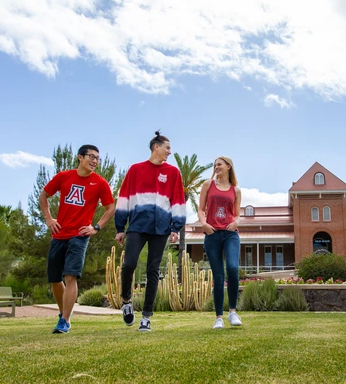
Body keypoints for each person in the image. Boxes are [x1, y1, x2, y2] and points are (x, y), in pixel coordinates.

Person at [39, 144, 115, 334]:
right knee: (55, 279)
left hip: (79, 236)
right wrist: (49, 219)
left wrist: (96, 227)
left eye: (97, 158)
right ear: (80, 157)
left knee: (70, 275)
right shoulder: (63, 177)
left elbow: (110, 208)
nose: (95, 161)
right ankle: (63, 313)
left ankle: (65, 320)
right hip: (58, 234)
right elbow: (44, 195)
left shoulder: (100, 183)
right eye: (91, 156)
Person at [115, 130, 186, 332]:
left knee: (153, 270)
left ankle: (146, 317)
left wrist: (175, 227)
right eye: (167, 148)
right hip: (137, 225)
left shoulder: (173, 173)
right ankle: (126, 300)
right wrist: (120, 227)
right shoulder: (135, 169)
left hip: (161, 228)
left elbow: (178, 201)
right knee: (129, 264)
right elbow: (124, 198)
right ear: (156, 147)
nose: (169, 152)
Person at [198, 156, 242, 329]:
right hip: (212, 233)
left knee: (232, 268)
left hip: (231, 233)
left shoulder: (236, 190)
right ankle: (219, 317)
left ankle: (232, 312)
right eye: (215, 165)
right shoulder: (207, 185)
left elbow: (237, 214)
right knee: (218, 276)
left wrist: (236, 222)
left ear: (228, 166)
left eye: (219, 164)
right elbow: (201, 209)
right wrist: (204, 224)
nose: (216, 167)